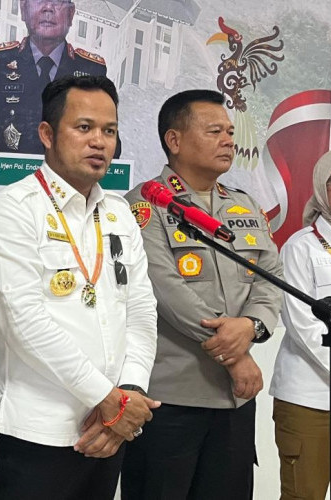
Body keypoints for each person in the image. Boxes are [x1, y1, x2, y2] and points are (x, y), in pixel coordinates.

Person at [0, 75, 159, 499]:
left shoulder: (119, 213)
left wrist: (128, 393)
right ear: (47, 134)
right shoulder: (13, 210)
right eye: (84, 127)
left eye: (109, 131)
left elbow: (141, 310)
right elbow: (25, 324)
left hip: (110, 428)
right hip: (39, 431)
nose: (99, 142)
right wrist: (107, 398)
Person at [121, 89, 283, 500]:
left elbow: (270, 276)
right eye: (214, 131)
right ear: (174, 140)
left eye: (229, 132)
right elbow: (165, 290)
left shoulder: (244, 205)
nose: (228, 140)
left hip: (234, 402)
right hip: (170, 398)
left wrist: (252, 325)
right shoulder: (145, 205)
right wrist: (236, 355)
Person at [270, 148, 331, 499]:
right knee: (304, 495)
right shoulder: (301, 247)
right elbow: (304, 327)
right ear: (321, 188)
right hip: (310, 398)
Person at [0, 0, 107, 154]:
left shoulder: (92, 71)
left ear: (71, 14)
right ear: (23, 9)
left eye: (57, 2)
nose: (48, 8)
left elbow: (109, 145)